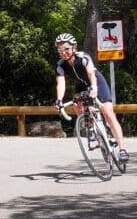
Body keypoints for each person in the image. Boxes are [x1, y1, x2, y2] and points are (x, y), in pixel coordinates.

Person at [53, 32, 129, 161]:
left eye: (66, 48)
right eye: (60, 50)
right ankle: (91, 128)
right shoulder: (60, 65)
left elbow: (91, 74)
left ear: (74, 47)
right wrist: (59, 100)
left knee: (108, 113)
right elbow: (61, 84)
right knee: (77, 104)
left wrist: (94, 87)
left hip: (97, 82)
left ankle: (122, 150)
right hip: (81, 86)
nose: (63, 52)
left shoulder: (83, 57)